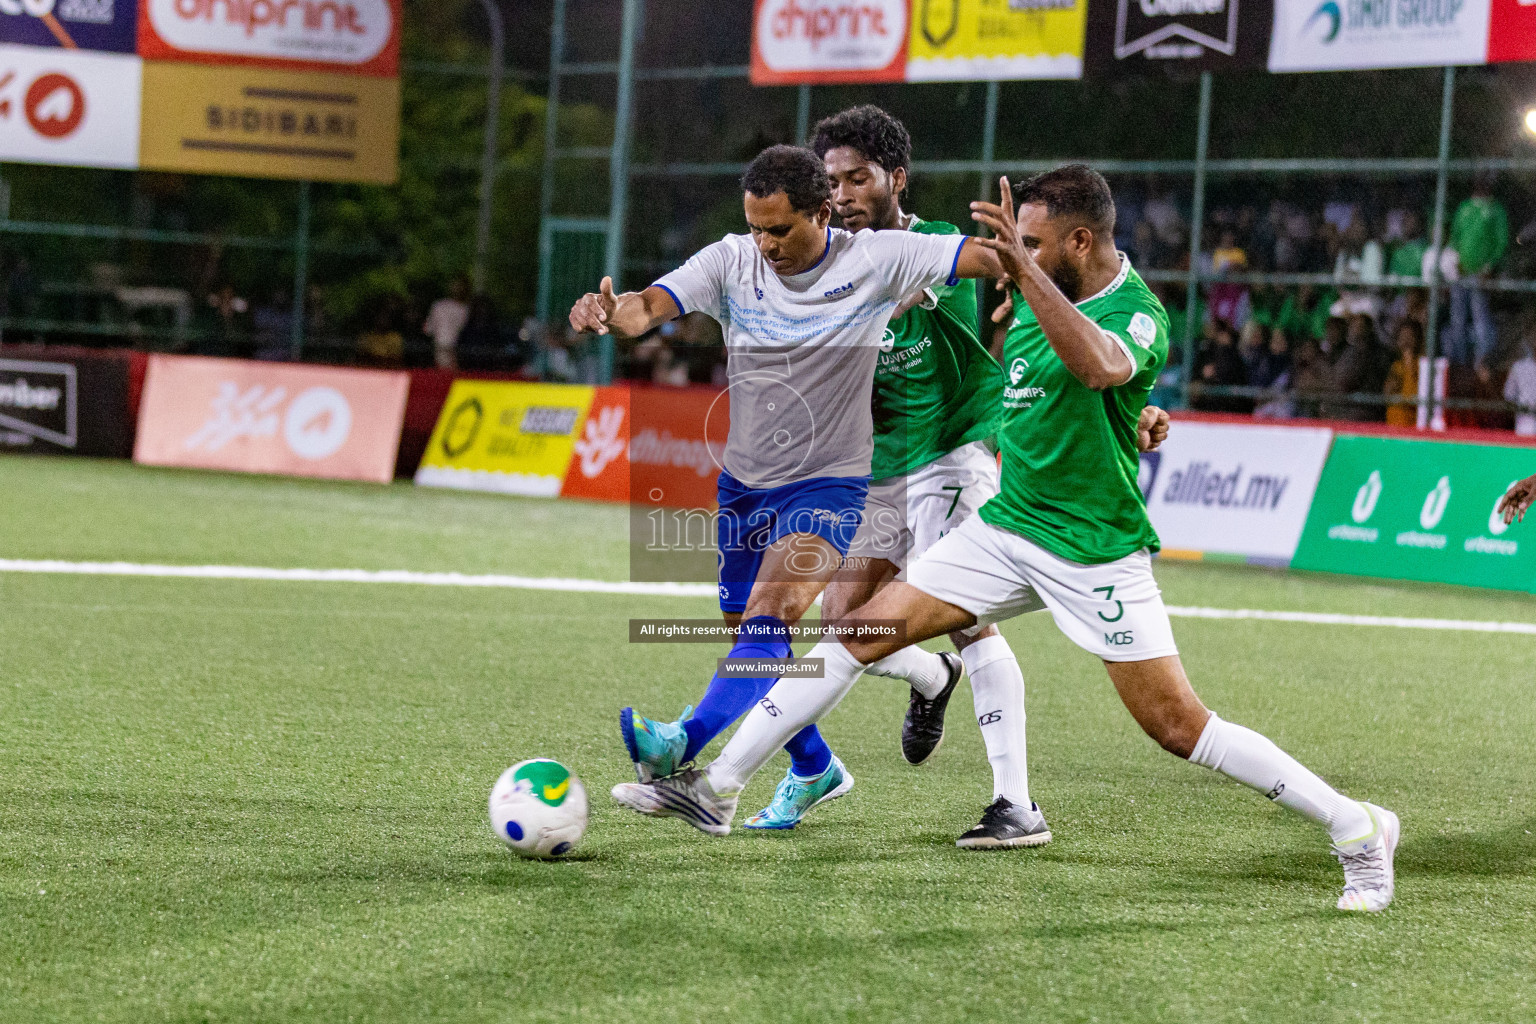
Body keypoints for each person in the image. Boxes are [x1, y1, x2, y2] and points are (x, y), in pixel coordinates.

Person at [614, 166, 1400, 914]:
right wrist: (1135, 412)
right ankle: (717, 788)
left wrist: (1049, 305)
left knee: (1178, 727)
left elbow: (1099, 370)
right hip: (1004, 528)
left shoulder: (1135, 309)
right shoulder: (1031, 295)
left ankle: (1356, 827)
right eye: (1013, 243)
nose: (1012, 256)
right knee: (858, 633)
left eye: (1033, 242)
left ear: (1081, 244)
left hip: (1091, 550)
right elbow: (1081, 400)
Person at [723, 103, 1167, 837]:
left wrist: (1138, 407)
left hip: (954, 459)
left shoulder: (944, 248)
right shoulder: (818, 263)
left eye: (858, 178)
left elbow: (1033, 307)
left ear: (896, 178)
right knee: (842, 623)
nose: (843, 195)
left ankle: (1015, 802)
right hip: (873, 472)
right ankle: (929, 680)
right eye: (830, 181)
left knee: (971, 626)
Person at [571, 144, 1012, 818]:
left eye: (779, 229)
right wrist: (612, 314)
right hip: (745, 483)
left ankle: (682, 743)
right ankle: (815, 766)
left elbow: (985, 260)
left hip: (830, 484)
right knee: (749, 636)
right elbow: (649, 306)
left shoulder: (874, 260)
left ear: (820, 213)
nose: (766, 243)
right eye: (756, 227)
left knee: (772, 617)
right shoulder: (730, 260)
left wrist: (1018, 253)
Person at [1446, 175, 1509, 368]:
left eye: (1486, 180)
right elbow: (1455, 237)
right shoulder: (1465, 207)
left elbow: (1502, 242)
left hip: (1480, 274)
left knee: (1480, 317)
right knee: (1457, 319)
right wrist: (1454, 262)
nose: (1481, 183)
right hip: (1460, 273)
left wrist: (1488, 267)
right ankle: (1459, 363)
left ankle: (1482, 363)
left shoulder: (1495, 209)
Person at [423, 277, 471, 370]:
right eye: (455, 285)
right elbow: (428, 329)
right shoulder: (439, 306)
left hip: (462, 351)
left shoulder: (469, 309)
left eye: (461, 286)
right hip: (440, 348)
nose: (458, 288)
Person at [1383, 321, 1423, 428]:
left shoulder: (1422, 365)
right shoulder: (1396, 365)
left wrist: (1409, 366)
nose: (1406, 341)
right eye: (1402, 336)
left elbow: (1412, 398)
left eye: (1410, 336)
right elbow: (1386, 396)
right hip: (1393, 424)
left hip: (1411, 426)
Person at [1505, 336, 1536, 438]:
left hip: (1524, 422)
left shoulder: (1518, 366)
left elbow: (1508, 395)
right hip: (1525, 421)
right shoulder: (1519, 367)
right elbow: (1508, 395)